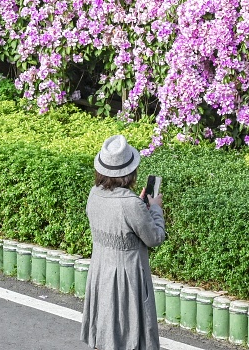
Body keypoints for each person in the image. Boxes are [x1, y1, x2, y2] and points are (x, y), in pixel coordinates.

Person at [82, 134, 166, 350]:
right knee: (129, 332)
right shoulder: (131, 205)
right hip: (127, 278)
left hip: (101, 271)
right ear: (130, 172)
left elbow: (117, 220)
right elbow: (155, 238)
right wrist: (155, 207)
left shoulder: (94, 194)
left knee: (106, 327)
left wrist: (139, 206)